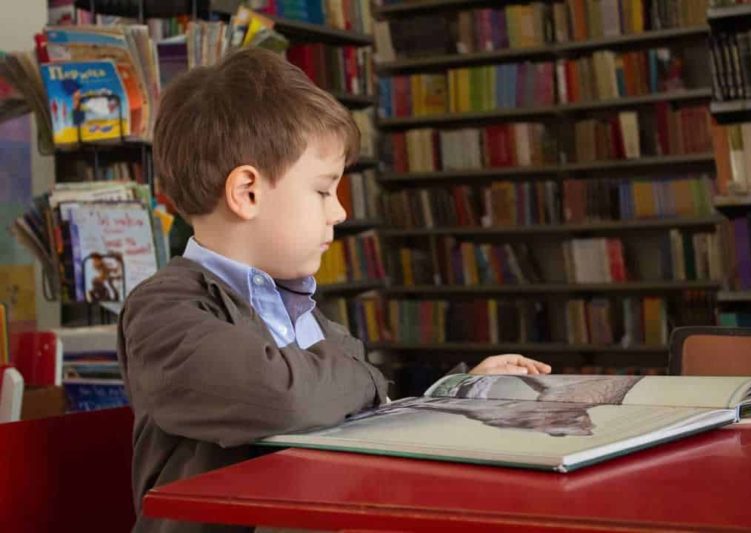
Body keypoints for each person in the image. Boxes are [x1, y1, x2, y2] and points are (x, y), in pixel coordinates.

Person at [117, 48, 552, 533]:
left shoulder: (298, 306)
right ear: (247, 193)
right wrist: (362, 377)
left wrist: (455, 393)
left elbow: (360, 411)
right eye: (324, 190)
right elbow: (285, 399)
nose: (339, 212)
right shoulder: (163, 310)